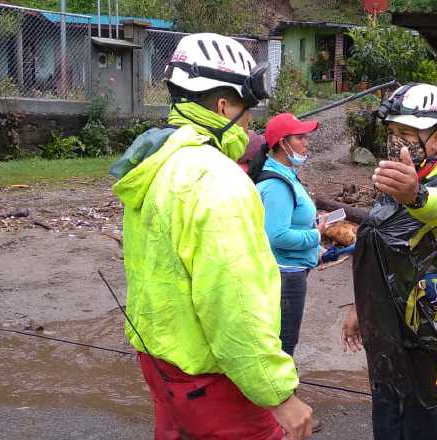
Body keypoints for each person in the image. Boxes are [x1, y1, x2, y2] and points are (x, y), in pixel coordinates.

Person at [110, 33, 312, 440]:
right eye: (247, 108)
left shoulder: (158, 164)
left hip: (161, 364)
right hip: (213, 380)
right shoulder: (218, 180)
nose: (251, 121)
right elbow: (232, 301)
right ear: (224, 106)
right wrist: (279, 394)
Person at [341, 83, 437, 440]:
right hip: (386, 346)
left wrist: (416, 195)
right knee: (387, 426)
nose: (394, 141)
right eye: (391, 132)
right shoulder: (392, 190)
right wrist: (361, 309)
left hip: (427, 351)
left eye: (405, 133)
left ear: (435, 140)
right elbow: (382, 256)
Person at [257, 112, 322, 357]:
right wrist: (317, 235)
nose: (306, 142)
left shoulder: (286, 176)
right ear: (283, 144)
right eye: (300, 138)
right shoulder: (276, 185)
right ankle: (280, 394)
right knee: (283, 348)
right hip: (285, 277)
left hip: (290, 272)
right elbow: (278, 236)